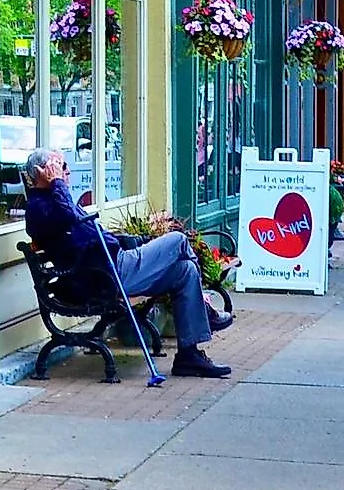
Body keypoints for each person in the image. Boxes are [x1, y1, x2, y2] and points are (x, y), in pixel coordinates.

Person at [20, 148, 233, 377]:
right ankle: (205, 307)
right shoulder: (38, 207)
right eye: (61, 166)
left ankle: (188, 357)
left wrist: (134, 240)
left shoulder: (57, 199)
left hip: (112, 266)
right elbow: (68, 217)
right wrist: (57, 184)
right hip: (106, 275)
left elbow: (87, 229)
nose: (66, 172)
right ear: (42, 172)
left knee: (185, 270)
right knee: (179, 240)